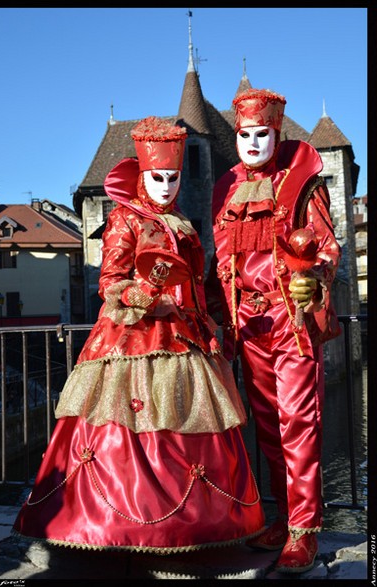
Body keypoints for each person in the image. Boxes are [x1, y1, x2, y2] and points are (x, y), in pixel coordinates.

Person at [12, 116, 265, 553]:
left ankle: (192, 526)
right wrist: (145, 294)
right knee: (126, 426)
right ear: (142, 174)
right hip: (133, 336)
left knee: (187, 424)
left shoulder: (182, 222)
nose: (166, 186)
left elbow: (194, 282)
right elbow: (109, 279)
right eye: (157, 177)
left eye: (173, 177)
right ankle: (120, 525)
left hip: (185, 334)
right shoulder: (125, 219)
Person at [207, 89, 342, 573]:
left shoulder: (303, 182)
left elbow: (327, 246)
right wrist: (217, 315)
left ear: (277, 134)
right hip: (248, 324)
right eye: (245, 135)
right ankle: (284, 518)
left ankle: (305, 529)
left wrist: (315, 280)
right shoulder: (226, 188)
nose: (252, 143)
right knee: (266, 424)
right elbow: (221, 258)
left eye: (262, 134)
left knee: (299, 425)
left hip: (290, 320)